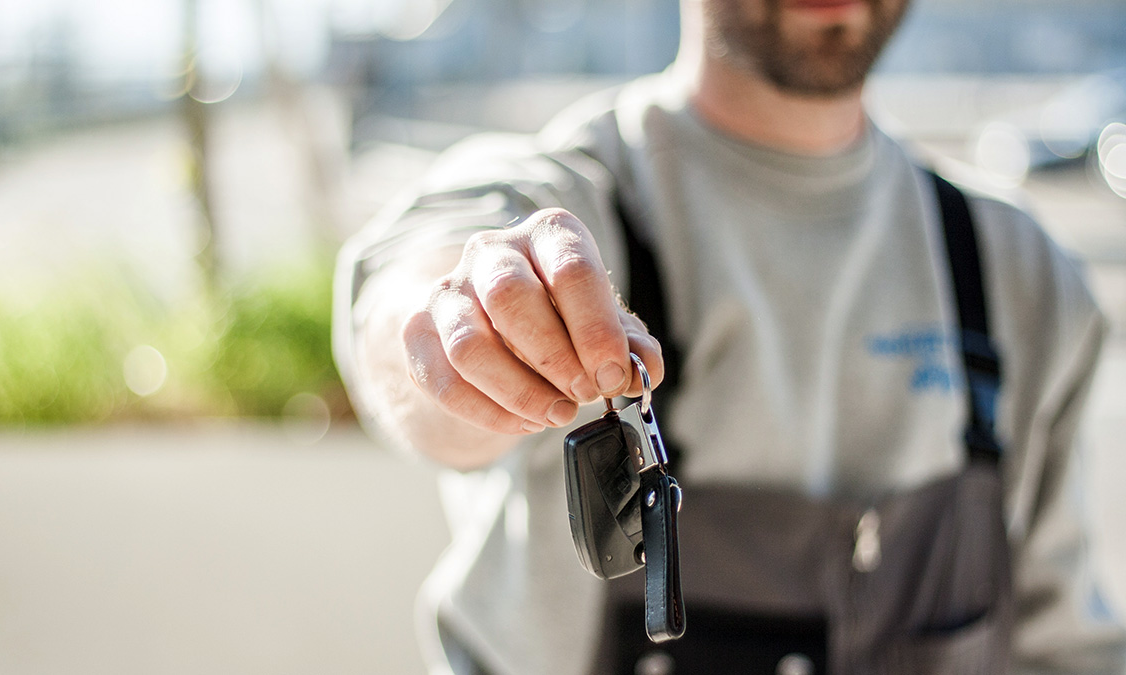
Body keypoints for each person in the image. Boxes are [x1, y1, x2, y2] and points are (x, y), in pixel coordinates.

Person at [332, 0, 1126, 672]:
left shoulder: (1016, 270)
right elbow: (412, 314)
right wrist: (471, 330)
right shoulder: (574, 197)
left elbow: (1065, 644)